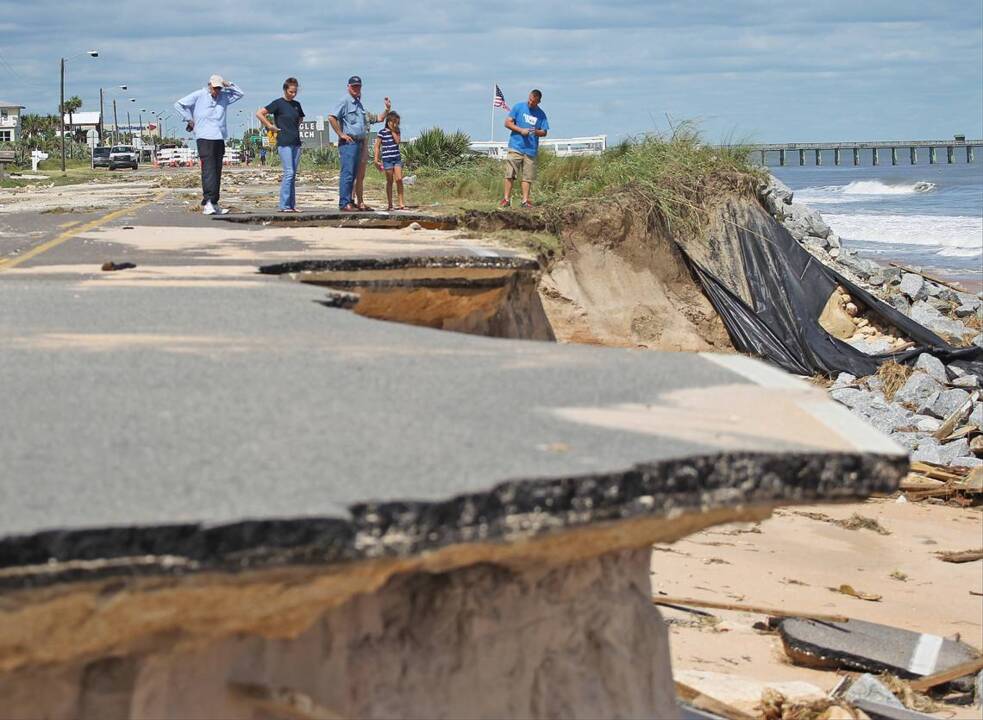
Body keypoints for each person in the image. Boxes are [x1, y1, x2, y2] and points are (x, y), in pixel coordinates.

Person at [174, 74, 244, 215]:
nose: (216, 91)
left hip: (219, 136)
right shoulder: (200, 95)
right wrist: (189, 119)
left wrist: (227, 83)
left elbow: (240, 94)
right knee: (208, 170)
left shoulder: (223, 96)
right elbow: (179, 104)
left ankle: (215, 202)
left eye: (219, 88)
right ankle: (208, 202)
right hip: (204, 136)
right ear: (209, 85)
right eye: (214, 88)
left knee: (217, 170)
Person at [328, 76, 390, 211]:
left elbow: (378, 119)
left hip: (360, 143)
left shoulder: (359, 105)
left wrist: (387, 109)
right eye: (354, 86)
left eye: (358, 86)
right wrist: (341, 134)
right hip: (349, 143)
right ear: (348, 87)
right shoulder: (344, 101)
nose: (356, 89)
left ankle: (351, 201)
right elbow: (331, 117)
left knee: (355, 175)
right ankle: (344, 203)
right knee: (348, 173)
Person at [257, 77, 305, 212]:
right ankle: (284, 205)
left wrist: (294, 127)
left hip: (296, 141)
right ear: (285, 90)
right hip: (284, 142)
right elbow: (259, 113)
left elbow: (300, 117)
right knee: (288, 172)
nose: (293, 94)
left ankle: (292, 205)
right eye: (290, 92)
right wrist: (270, 126)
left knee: (293, 174)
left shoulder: (297, 105)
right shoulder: (278, 103)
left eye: (295, 92)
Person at [501, 89, 549, 209]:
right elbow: (507, 123)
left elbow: (544, 132)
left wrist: (535, 131)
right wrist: (521, 130)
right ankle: (506, 199)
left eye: (534, 102)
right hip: (516, 146)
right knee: (510, 174)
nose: (531, 103)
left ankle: (525, 201)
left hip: (530, 150)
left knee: (527, 176)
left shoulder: (541, 114)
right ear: (529, 97)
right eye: (530, 100)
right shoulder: (518, 107)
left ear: (538, 101)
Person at [374, 111, 406, 210]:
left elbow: (397, 141)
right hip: (387, 159)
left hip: (396, 158)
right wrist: (376, 159)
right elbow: (377, 146)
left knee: (399, 179)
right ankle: (390, 204)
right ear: (389, 121)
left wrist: (392, 130)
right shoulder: (382, 132)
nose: (396, 124)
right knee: (389, 181)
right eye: (394, 122)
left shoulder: (397, 131)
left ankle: (401, 202)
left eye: (397, 122)